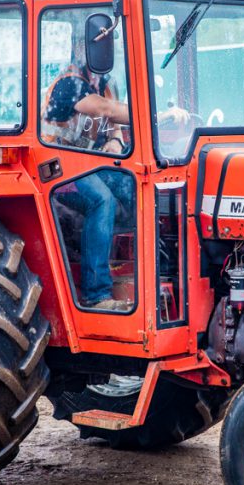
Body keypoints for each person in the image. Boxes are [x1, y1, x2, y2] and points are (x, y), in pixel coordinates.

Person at [42, 17, 187, 311]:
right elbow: (106, 109)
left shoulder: (107, 85)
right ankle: (96, 295)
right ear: (81, 50)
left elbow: (114, 123)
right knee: (102, 201)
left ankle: (157, 272)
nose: (107, 51)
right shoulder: (68, 85)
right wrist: (159, 115)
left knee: (135, 190)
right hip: (55, 167)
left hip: (88, 164)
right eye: (99, 45)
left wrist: (117, 142)